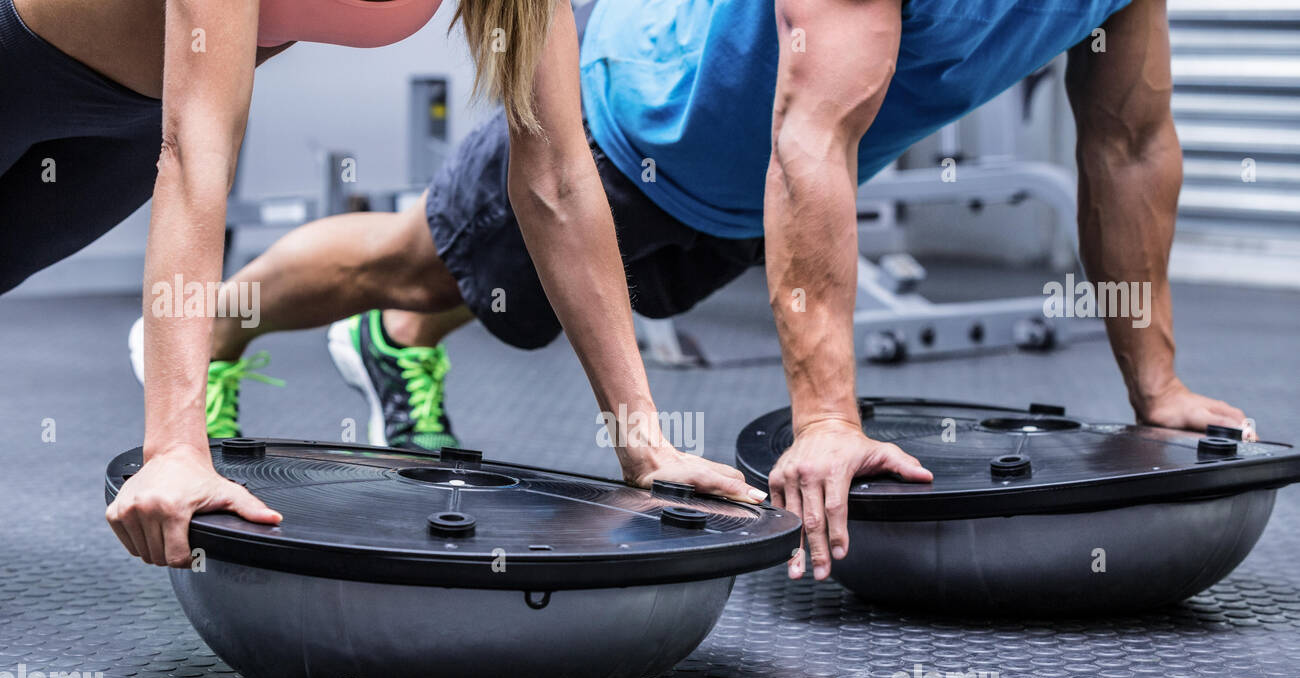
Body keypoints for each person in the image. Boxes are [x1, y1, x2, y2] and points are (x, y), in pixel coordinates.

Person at [173, 0, 1249, 582]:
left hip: (747, 207)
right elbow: (808, 132)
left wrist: (1154, 383)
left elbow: (1129, 138)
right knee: (421, 254)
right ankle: (215, 326)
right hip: (626, 126)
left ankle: (395, 338)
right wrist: (827, 420)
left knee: (502, 295)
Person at [0, 0, 762, 568]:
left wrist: (645, 445)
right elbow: (197, 154)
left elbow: (559, 178)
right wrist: (173, 446)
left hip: (133, 114)